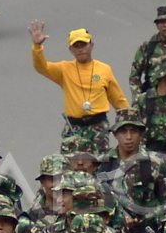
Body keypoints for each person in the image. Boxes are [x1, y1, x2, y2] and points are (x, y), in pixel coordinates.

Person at [29, 22, 131, 156]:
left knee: (99, 163)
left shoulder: (104, 69)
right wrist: (37, 46)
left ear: (91, 46)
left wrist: (130, 123)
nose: (80, 49)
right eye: (76, 46)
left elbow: (119, 100)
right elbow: (41, 67)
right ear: (71, 50)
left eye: (83, 45)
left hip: (97, 126)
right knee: (71, 166)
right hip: (74, 127)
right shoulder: (64, 69)